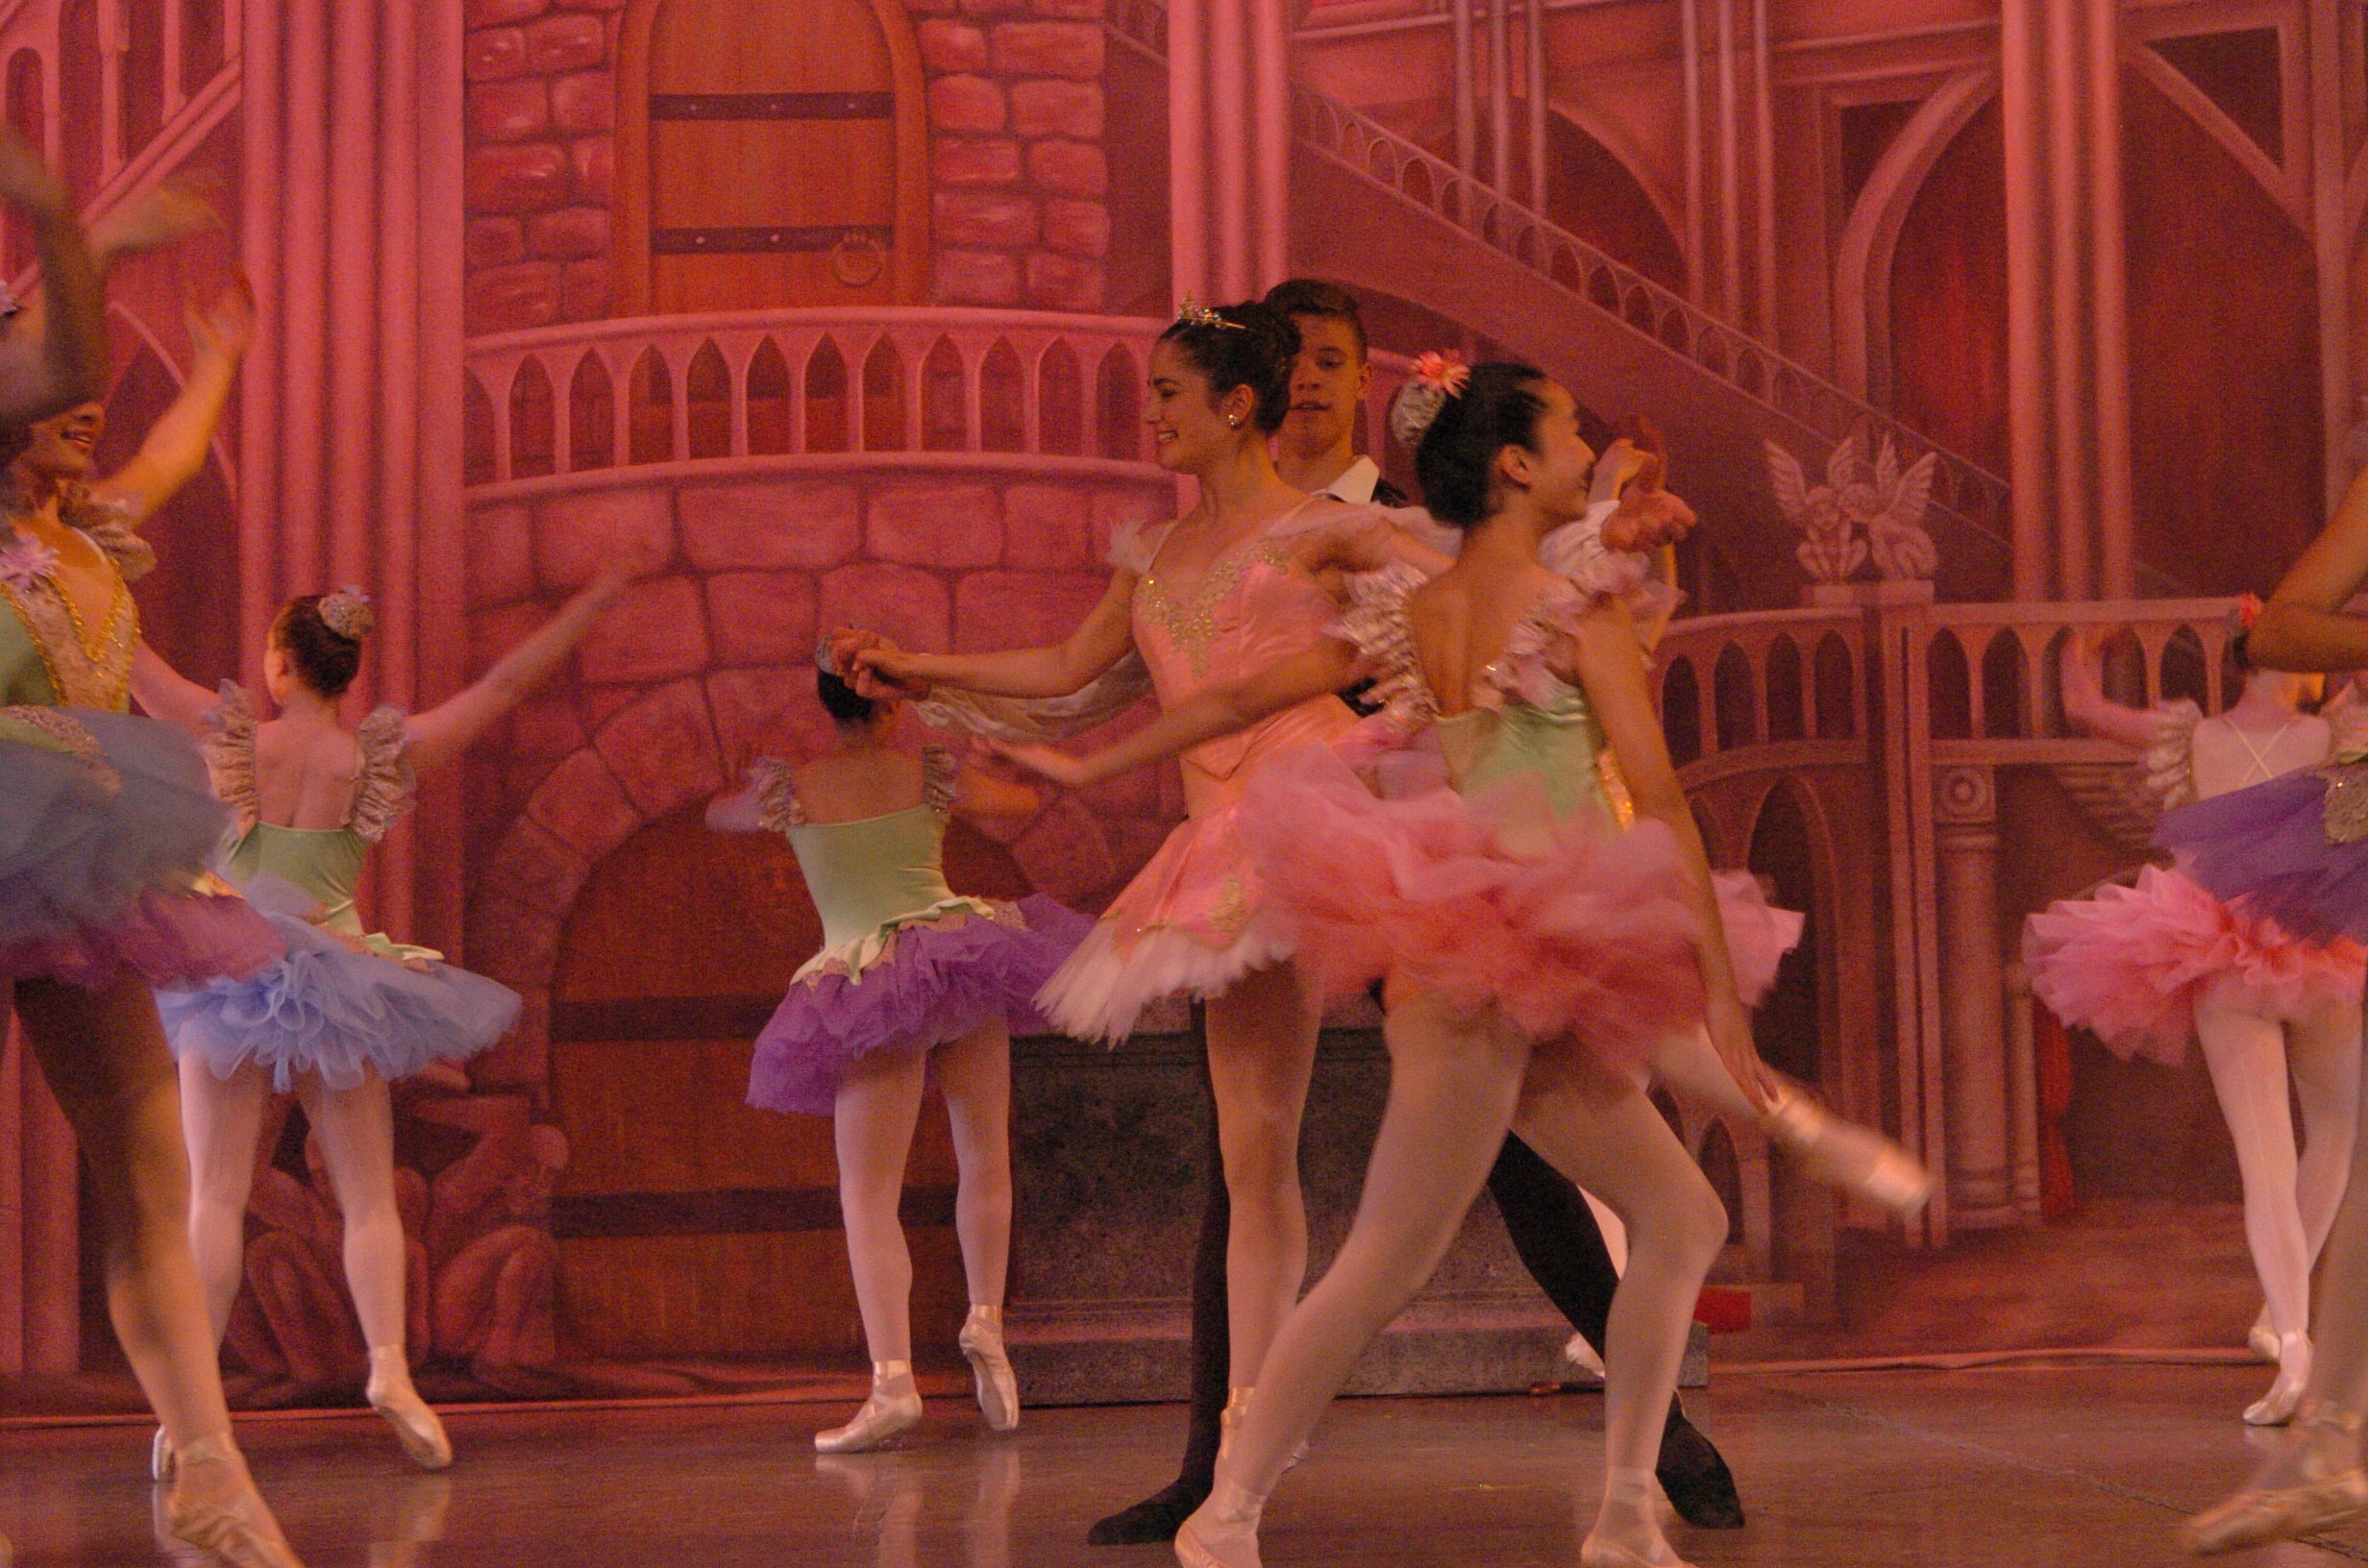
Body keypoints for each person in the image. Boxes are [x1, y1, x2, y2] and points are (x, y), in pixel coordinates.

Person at [835, 297, 1464, 1527]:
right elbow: (1069, 677)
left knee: (1421, 1106)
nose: (1151, 416)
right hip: (1221, 850)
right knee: (1252, 1149)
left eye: (1169, 394)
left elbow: (1463, 596)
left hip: (1323, 817)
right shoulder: (1158, 555)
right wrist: (924, 667)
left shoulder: (1325, 532)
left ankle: (1251, 1448)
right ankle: (1244, 1447)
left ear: (1236, 404)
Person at [131, 563, 637, 1475]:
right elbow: (503, 687)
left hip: (233, 973)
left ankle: (192, 1414)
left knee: (214, 1196)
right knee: (367, 1199)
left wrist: (49, 563)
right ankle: (391, 1372)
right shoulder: (372, 760)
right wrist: (594, 603)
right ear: (345, 670)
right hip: (338, 981)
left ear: (280, 665)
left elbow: (132, 662)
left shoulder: (228, 739)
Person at [0, 135, 311, 1568]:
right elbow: (63, 354)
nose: (79, 405)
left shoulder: (91, 533)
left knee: (142, 1153)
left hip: (68, 848)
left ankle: (210, 1474)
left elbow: (171, 449)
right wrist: (82, 236)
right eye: (44, 389)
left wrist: (222, 362)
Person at [707, 658, 1087, 1453]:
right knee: (985, 1155)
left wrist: (757, 780)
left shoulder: (793, 789)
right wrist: (1004, 760)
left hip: (870, 982)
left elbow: (719, 815)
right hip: (959, 958)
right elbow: (1021, 801)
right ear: (892, 706)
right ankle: (986, 1322)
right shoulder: (931, 773)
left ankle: (892, 1383)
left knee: (869, 1193)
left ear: (827, 706)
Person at [2028, 618, 2359, 1427]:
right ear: (2296, 661)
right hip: (2320, 949)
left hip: (2217, 952)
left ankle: (2288, 1336)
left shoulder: (2193, 738)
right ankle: (2281, 1322)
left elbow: (2082, 706)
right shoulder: (2335, 731)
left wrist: (2080, 649)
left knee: (2265, 1161)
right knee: (2334, 1135)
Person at [2158, 465, 2368, 1552]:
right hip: (2310, 902)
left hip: (2270, 920)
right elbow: (2287, 625)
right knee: (2345, 1138)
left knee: (2324, 1140)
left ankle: (2312, 1391)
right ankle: (2323, 1422)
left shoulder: (2226, 736)